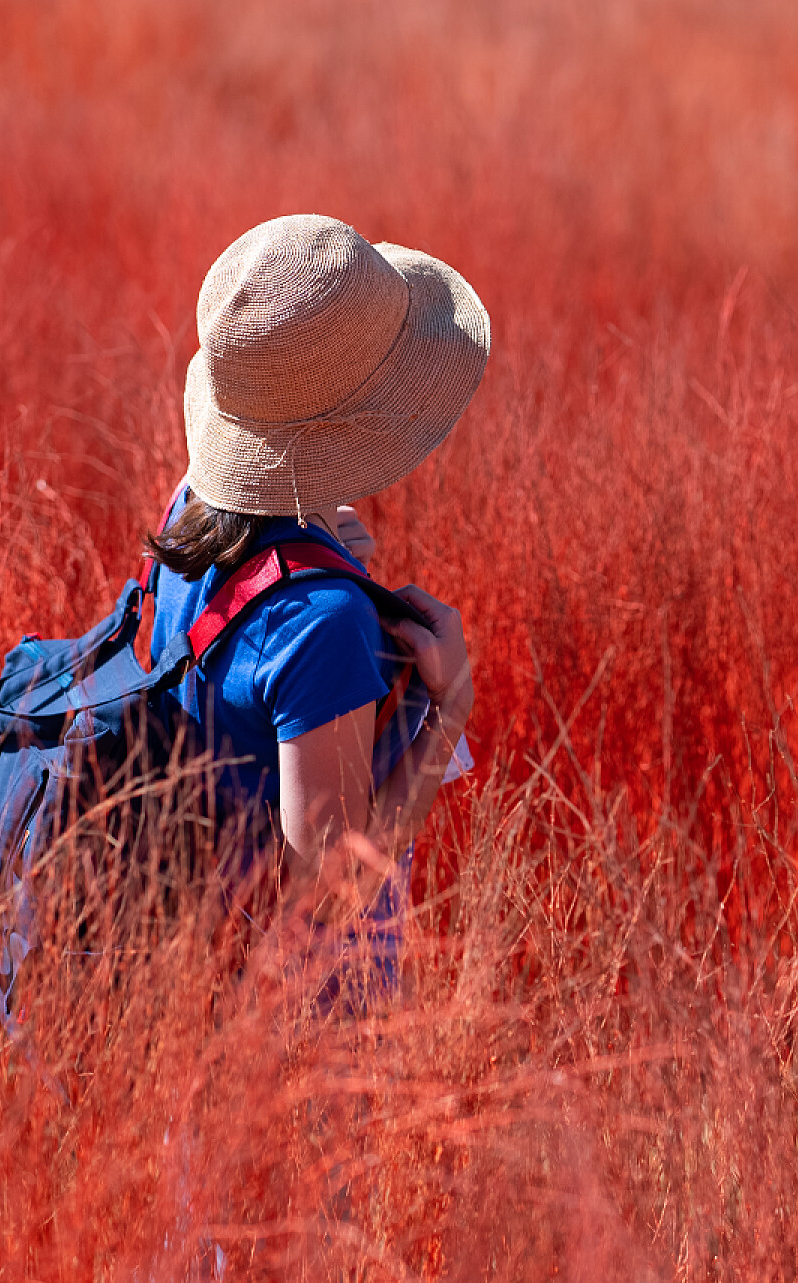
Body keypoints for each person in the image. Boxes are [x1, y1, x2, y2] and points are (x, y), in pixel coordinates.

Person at [141, 214, 488, 1004]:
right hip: (284, 1067)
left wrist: (327, 558)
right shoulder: (321, 624)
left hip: (188, 973)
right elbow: (331, 896)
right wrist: (447, 710)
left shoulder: (191, 509)